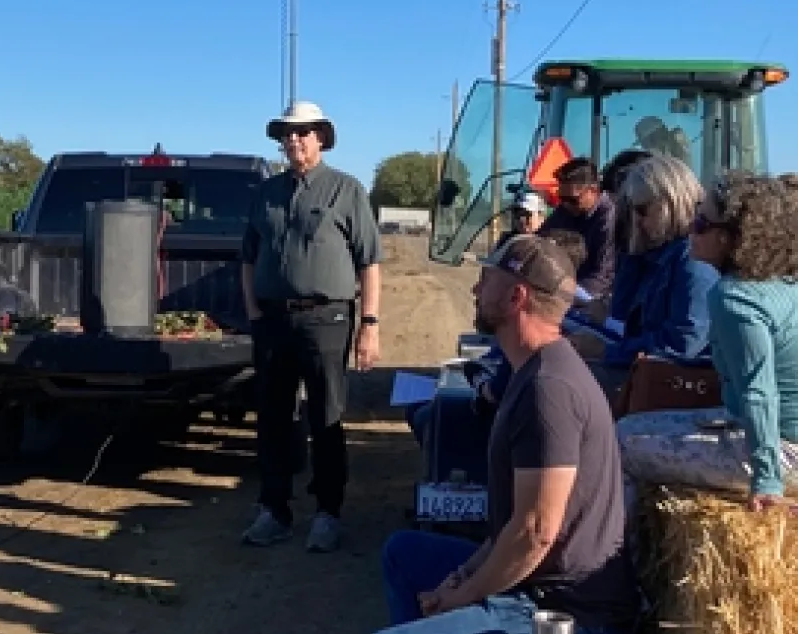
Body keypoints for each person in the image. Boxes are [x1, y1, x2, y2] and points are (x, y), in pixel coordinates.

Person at [378, 234, 640, 634]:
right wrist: (464, 575)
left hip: (559, 608)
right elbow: (513, 527)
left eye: (486, 280)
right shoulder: (532, 369)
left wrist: (459, 598)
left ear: (516, 297)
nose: (475, 289)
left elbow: (535, 533)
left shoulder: (548, 390)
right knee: (403, 552)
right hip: (528, 584)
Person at [617, 173, 798, 511]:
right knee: (631, 426)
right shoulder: (795, 280)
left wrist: (767, 481)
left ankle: (616, 557)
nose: (690, 230)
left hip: (797, 455)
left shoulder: (736, 299)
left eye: (701, 222)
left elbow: (760, 393)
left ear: (729, 238)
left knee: (619, 443)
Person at [240, 100, 383, 553]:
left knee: (326, 415)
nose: (294, 140)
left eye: (303, 132)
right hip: (273, 320)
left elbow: (369, 263)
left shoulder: (346, 190)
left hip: (327, 318)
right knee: (273, 418)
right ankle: (274, 510)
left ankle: (327, 512)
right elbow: (248, 258)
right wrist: (254, 312)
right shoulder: (265, 194)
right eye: (287, 134)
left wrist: (370, 324)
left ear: (321, 137)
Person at [596, 154, 719, 373]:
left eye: (642, 210)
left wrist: (605, 351)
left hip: (672, 384)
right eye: (631, 211)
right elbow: (623, 315)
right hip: (643, 371)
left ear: (670, 202)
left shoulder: (693, 260)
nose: (636, 221)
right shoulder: (655, 253)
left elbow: (684, 343)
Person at [540, 158, 618, 300]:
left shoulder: (609, 219)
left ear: (593, 191)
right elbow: (539, 242)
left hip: (591, 301)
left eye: (572, 200)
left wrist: (564, 296)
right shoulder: (565, 210)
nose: (565, 205)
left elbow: (603, 275)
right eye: (561, 198)